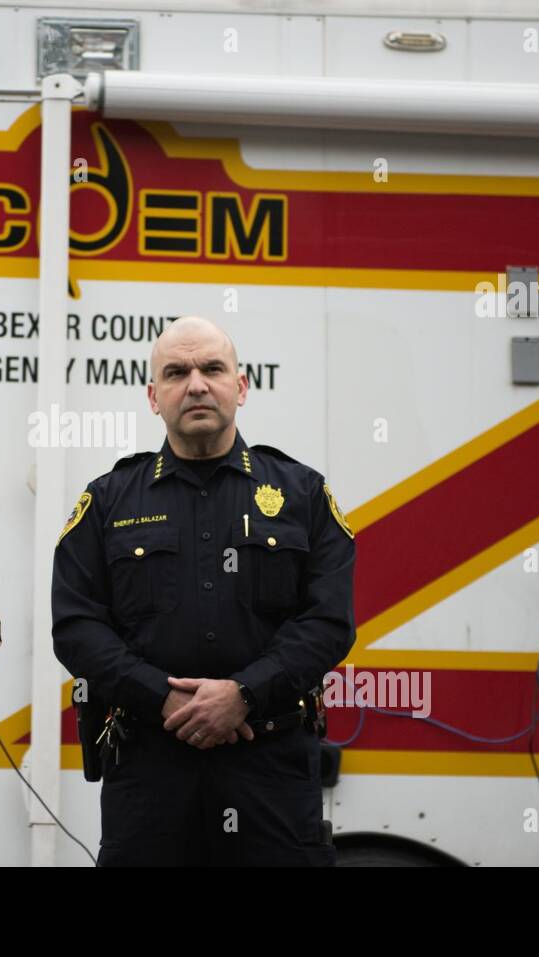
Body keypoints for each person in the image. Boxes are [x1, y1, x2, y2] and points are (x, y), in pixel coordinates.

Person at [52, 316, 355, 866]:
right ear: (153, 396)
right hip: (149, 774)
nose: (196, 384)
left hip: (271, 775)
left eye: (212, 368)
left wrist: (244, 692)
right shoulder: (108, 501)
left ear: (241, 387)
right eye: (176, 372)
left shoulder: (302, 494)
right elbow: (76, 628)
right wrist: (162, 697)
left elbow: (328, 621)